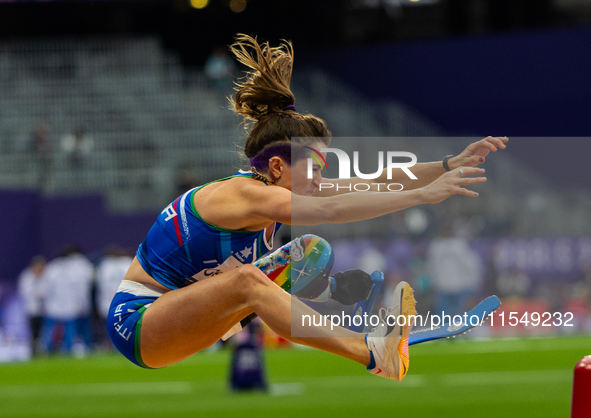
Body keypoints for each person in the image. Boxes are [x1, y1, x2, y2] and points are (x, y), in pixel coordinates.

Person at [107, 34, 507, 381]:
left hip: (186, 315)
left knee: (310, 252)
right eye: (314, 167)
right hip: (139, 322)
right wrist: (423, 196)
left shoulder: (277, 195)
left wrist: (447, 165)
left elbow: (374, 179)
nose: (320, 178)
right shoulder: (245, 195)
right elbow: (333, 208)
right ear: (278, 166)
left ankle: (341, 306)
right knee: (249, 280)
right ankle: (371, 352)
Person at [17, 256, 46, 356]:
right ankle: (33, 350)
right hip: (31, 309)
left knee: (43, 331)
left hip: (44, 309)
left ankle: (42, 349)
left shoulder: (45, 276)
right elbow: (25, 292)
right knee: (33, 331)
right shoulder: (26, 276)